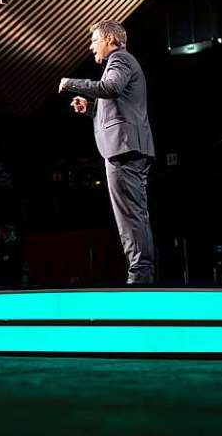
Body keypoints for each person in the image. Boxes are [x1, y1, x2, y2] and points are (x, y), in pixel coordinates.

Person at [59, 20, 156, 284]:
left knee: (129, 216)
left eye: (94, 40)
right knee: (133, 213)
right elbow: (118, 102)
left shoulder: (120, 60)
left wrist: (71, 83)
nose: (91, 47)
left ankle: (140, 275)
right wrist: (90, 108)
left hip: (124, 148)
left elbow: (110, 88)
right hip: (128, 146)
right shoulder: (122, 63)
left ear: (110, 39)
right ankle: (141, 273)